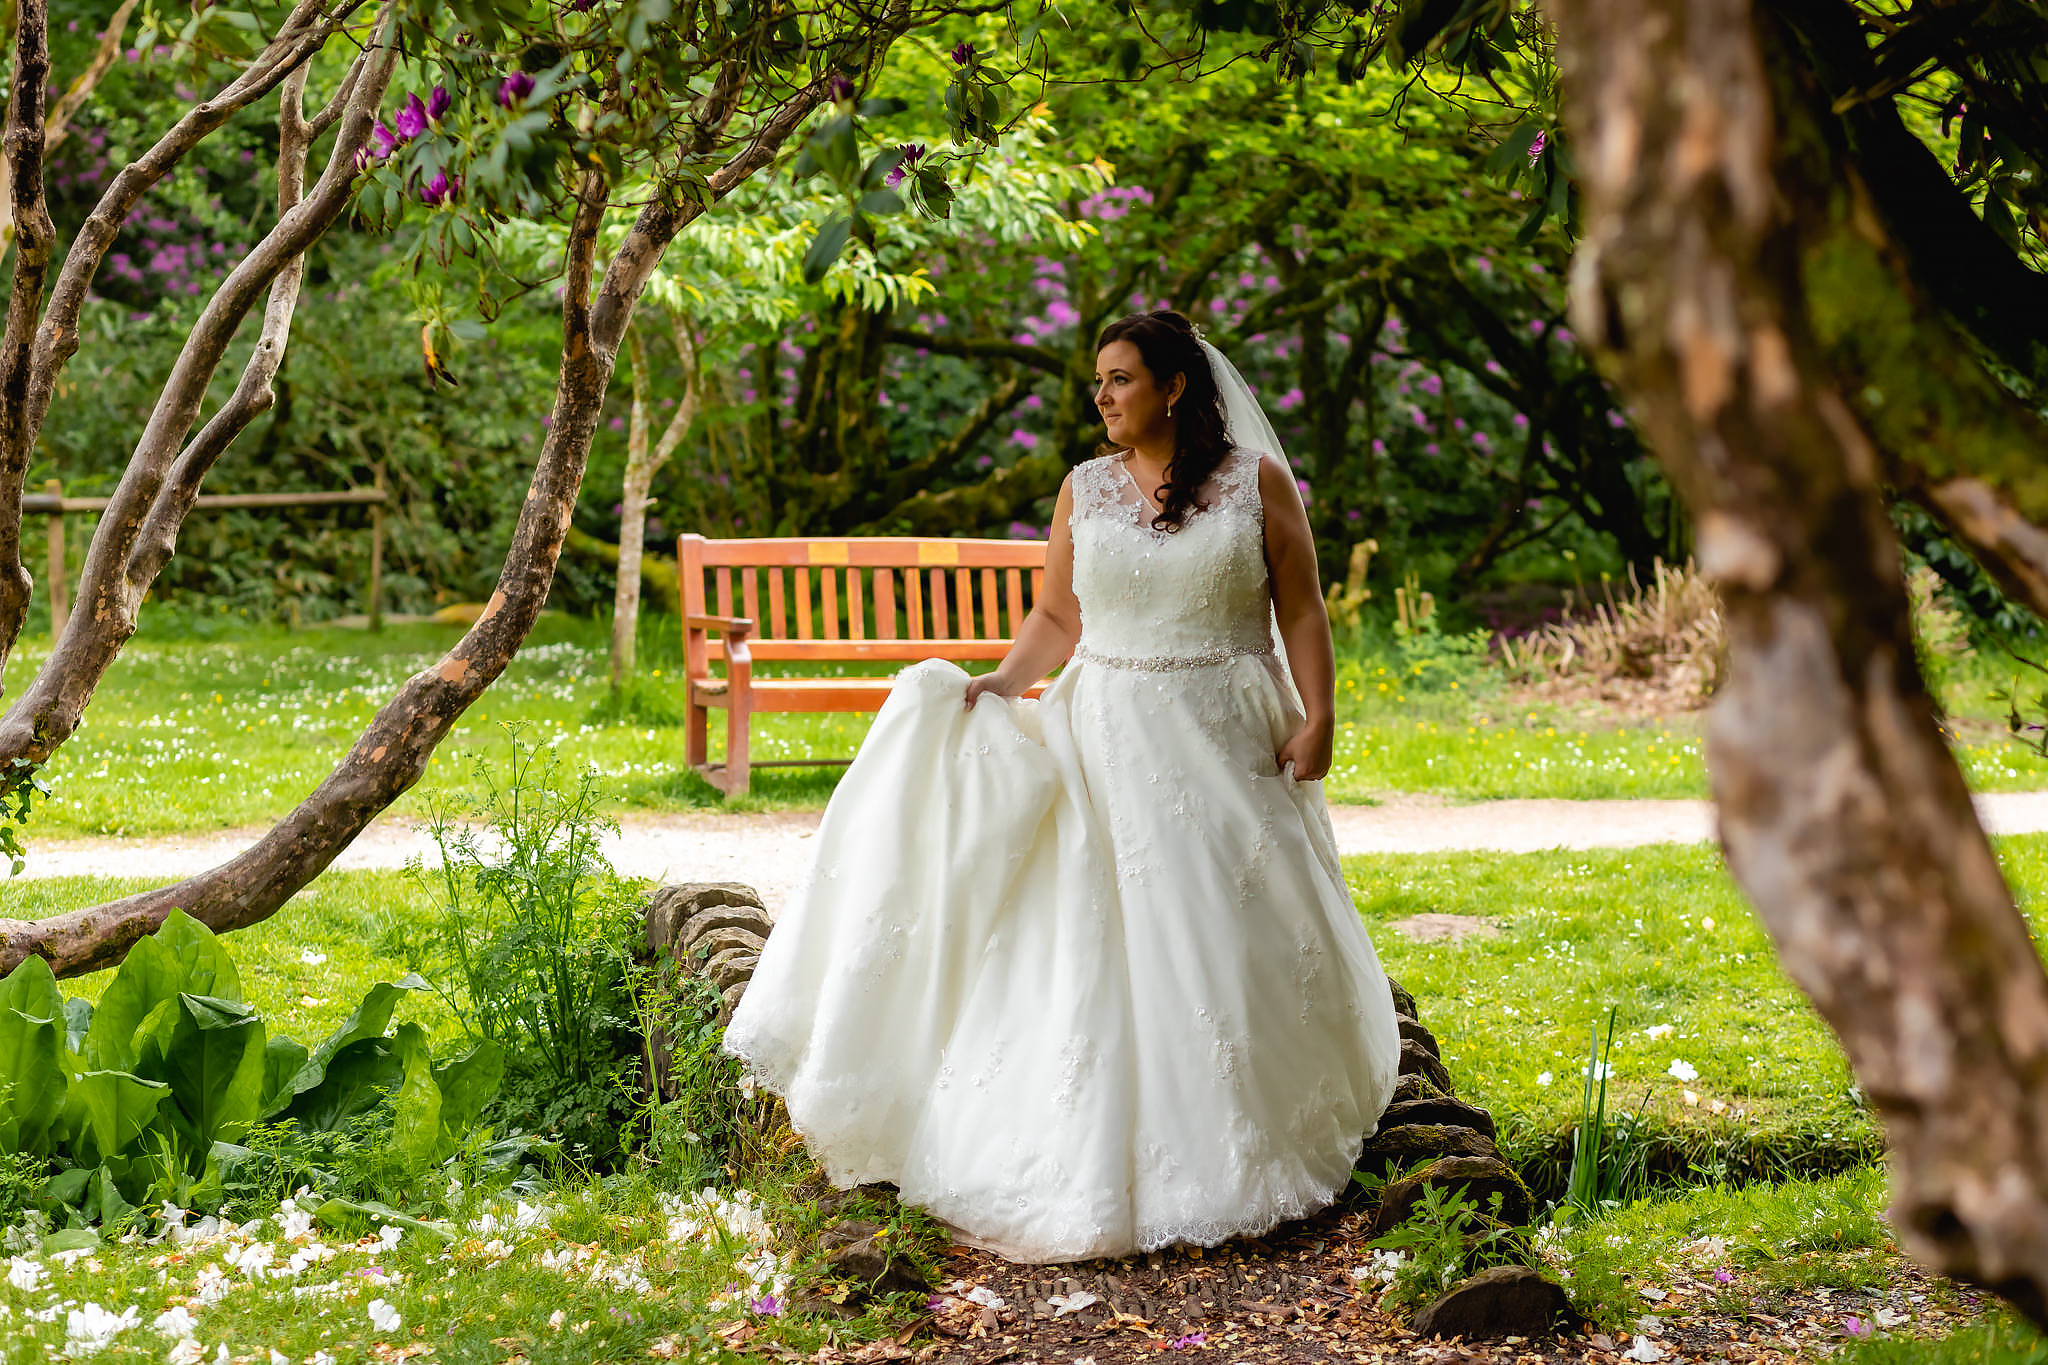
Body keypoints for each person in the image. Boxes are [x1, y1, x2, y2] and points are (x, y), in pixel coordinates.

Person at [720, 309, 1402, 1265]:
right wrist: (1001, 682)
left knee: (1230, 926)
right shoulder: (1082, 490)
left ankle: (1258, 1126)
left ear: (1173, 385)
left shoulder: (1258, 484)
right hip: (1107, 734)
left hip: (1229, 731)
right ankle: (1096, 1151)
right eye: (1098, 380)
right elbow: (1056, 614)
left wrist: (1320, 713)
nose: (1103, 396)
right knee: (1099, 936)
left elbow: (1301, 603)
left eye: (1120, 378)